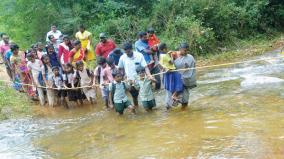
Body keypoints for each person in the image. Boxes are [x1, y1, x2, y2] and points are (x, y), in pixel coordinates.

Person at [118, 42, 151, 107]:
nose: (127, 53)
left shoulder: (139, 55)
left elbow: (145, 67)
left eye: (128, 52)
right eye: (125, 52)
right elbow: (120, 68)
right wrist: (123, 77)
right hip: (130, 80)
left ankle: (148, 107)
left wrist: (149, 75)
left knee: (144, 93)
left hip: (140, 79)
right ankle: (137, 107)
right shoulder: (122, 57)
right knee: (134, 96)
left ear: (131, 49)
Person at [159, 43, 184, 109]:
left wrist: (168, 54)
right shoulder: (166, 56)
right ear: (164, 49)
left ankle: (172, 101)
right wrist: (171, 56)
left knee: (171, 87)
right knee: (179, 84)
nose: (167, 49)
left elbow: (161, 64)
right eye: (166, 48)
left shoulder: (161, 55)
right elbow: (171, 62)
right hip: (172, 71)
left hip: (167, 73)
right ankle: (174, 96)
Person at [174, 43, 197, 110]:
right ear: (180, 49)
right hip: (177, 79)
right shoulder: (174, 55)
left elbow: (187, 68)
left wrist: (186, 67)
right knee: (175, 99)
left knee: (185, 100)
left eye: (187, 50)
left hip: (186, 79)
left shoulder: (190, 57)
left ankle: (183, 110)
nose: (186, 52)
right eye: (184, 50)